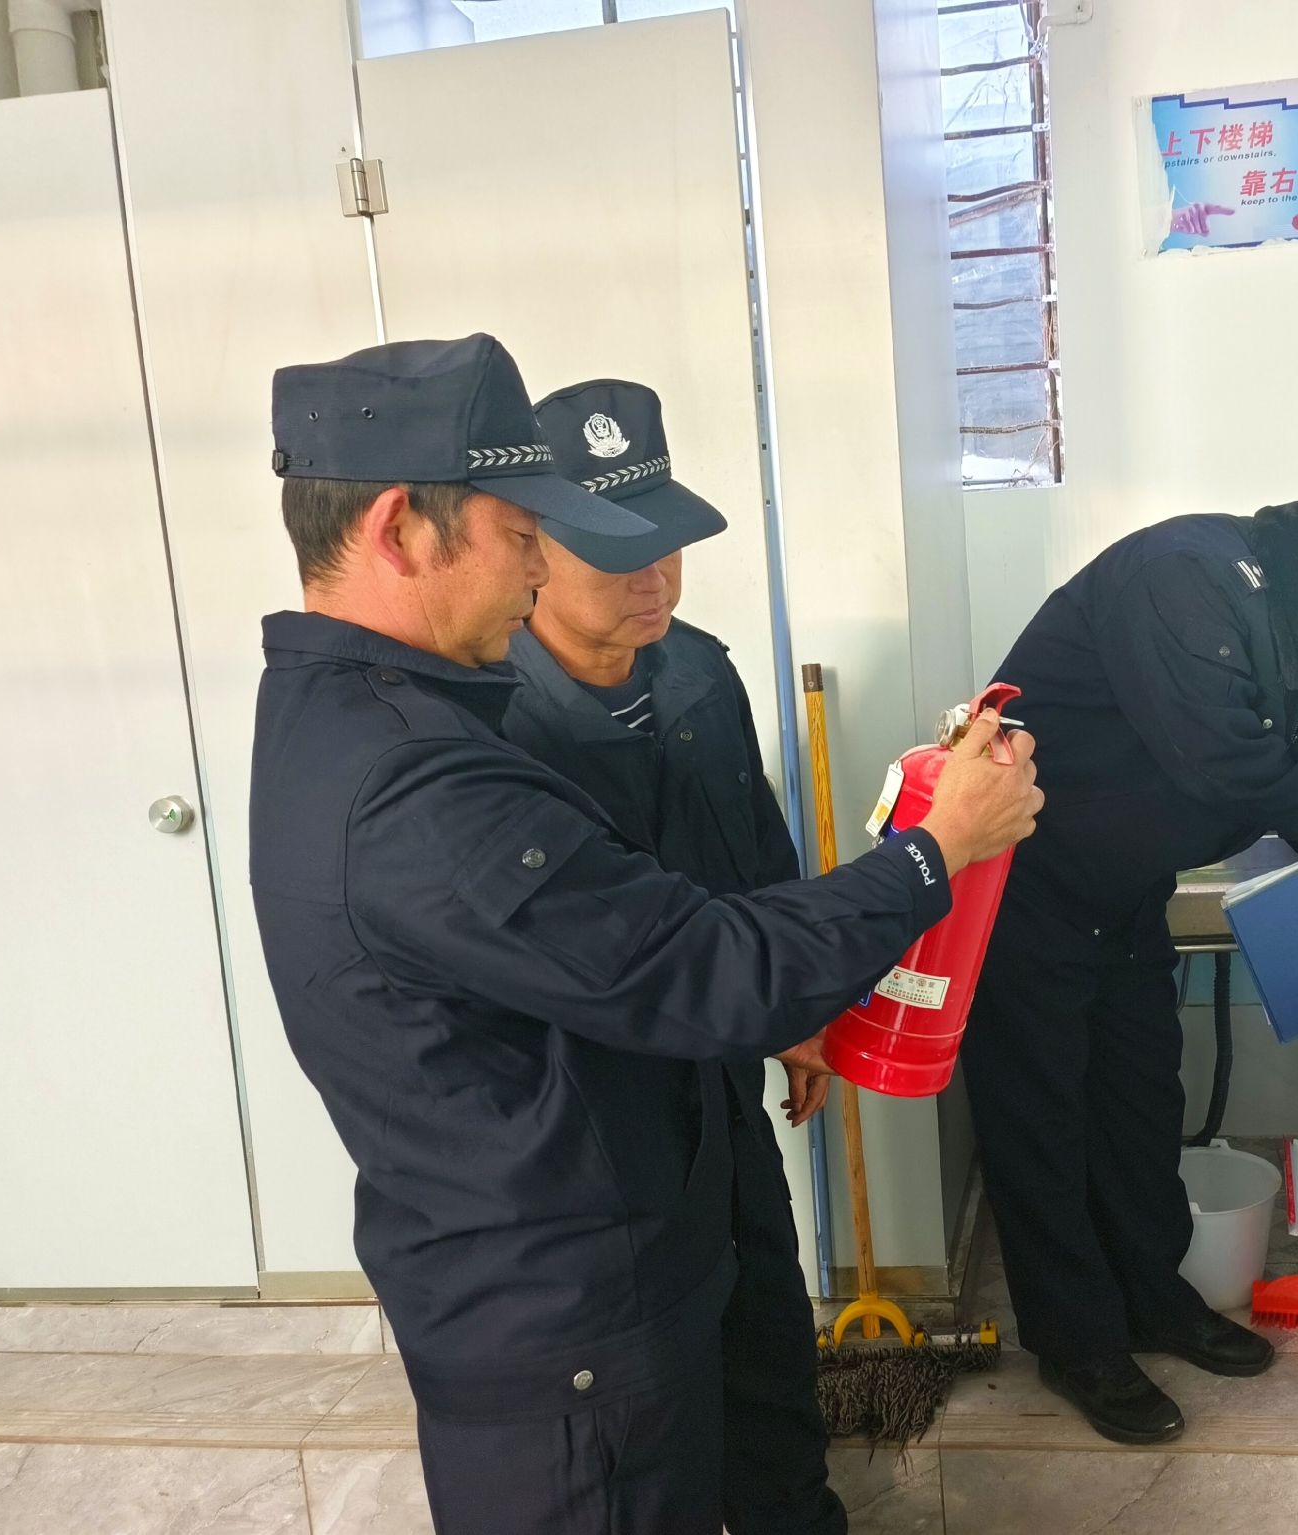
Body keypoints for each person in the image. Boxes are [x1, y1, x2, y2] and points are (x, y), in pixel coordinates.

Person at [249, 334, 1041, 1533]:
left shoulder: (379, 715)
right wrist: (935, 850)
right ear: (402, 527)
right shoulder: (423, 780)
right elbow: (699, 965)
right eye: (524, 534)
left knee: (766, 1437)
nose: (536, 570)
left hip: (643, 1194)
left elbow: (724, 900)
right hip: (562, 1311)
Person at [960, 464, 1298, 1445]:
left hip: (1121, 897)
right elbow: (1222, 755)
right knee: (1042, 1121)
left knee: (1140, 1103)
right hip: (1025, 890)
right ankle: (1076, 1341)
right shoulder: (1184, 576)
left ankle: (1154, 1299)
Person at [500, 376, 839, 1532]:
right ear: (532, 549)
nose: (651, 575)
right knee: (654, 1381)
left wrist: (799, 1008)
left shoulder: (695, 669)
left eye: (666, 542)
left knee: (768, 1328)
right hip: (596, 1120)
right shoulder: (493, 724)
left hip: (720, 1076)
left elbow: (757, 850)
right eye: (614, 551)